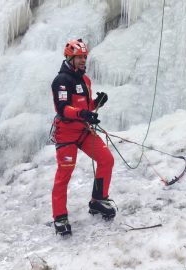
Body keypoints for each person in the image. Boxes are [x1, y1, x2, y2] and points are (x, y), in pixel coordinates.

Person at [51, 39, 116, 236]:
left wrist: (97, 103)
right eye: (79, 57)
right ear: (69, 57)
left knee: (107, 160)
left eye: (84, 57)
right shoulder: (61, 81)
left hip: (83, 131)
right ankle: (60, 217)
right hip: (66, 134)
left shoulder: (85, 80)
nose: (82, 60)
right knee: (65, 175)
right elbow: (63, 109)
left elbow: (85, 107)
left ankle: (97, 200)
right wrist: (82, 114)